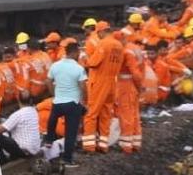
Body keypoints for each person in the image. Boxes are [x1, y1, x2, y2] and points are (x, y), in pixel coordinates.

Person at [82, 22, 123, 153]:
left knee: (91, 113)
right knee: (106, 114)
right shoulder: (119, 45)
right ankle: (103, 145)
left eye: (97, 33)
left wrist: (85, 60)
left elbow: (94, 62)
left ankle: (89, 146)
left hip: (100, 81)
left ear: (101, 31)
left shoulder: (103, 43)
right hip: (112, 82)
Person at [45, 41, 87, 167]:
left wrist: (54, 94)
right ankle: (67, 160)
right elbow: (83, 87)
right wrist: (83, 101)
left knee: (52, 119)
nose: (79, 55)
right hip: (73, 103)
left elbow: (48, 81)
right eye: (78, 52)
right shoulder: (79, 68)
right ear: (75, 52)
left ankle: (49, 139)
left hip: (58, 102)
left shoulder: (55, 65)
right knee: (70, 133)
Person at [115, 32, 146, 154]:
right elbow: (140, 69)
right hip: (132, 85)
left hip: (125, 85)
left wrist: (139, 85)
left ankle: (126, 144)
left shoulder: (126, 52)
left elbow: (134, 72)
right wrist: (139, 86)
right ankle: (136, 142)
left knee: (126, 114)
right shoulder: (135, 49)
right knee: (134, 114)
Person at [0, 92, 39, 164]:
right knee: (12, 133)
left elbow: (1, 129)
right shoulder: (34, 111)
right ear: (31, 100)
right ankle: (11, 157)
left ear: (18, 100)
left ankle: (2, 161)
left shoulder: (18, 114)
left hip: (23, 151)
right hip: (35, 149)